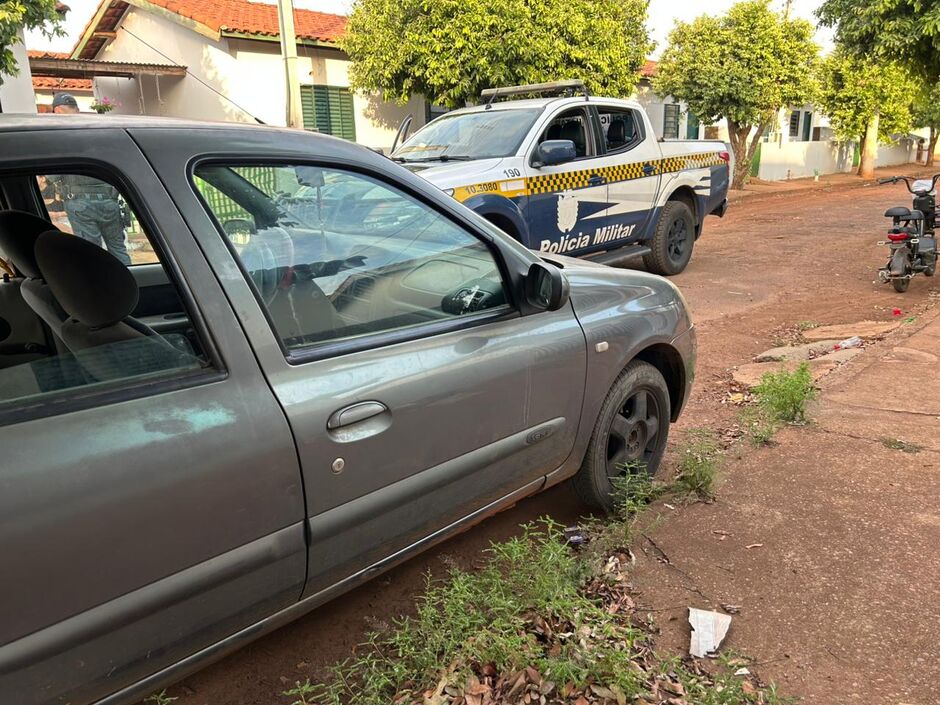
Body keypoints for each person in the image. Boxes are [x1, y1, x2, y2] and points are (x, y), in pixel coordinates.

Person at [47, 94, 132, 265]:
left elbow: (51, 177)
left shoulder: (60, 138)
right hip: (109, 202)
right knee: (118, 250)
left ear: (57, 110)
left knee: (92, 253)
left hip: (80, 206)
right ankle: (128, 279)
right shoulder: (99, 133)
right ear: (77, 109)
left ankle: (99, 282)